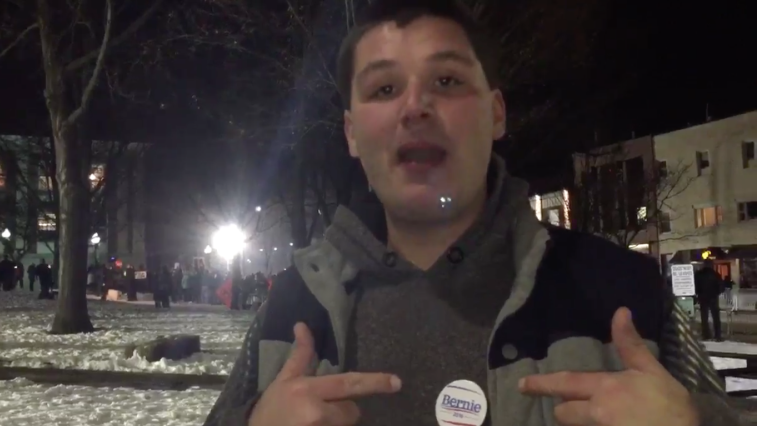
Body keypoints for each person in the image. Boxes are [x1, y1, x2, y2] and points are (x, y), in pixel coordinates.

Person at [203, 1, 740, 426]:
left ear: (497, 112)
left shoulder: (626, 294)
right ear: (350, 132)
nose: (416, 107)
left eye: (447, 81)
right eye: (385, 88)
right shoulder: (292, 307)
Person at [696, 261, 724, 341]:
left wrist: (699, 294)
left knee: (704, 317)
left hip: (703, 298)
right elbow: (721, 287)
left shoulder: (699, 274)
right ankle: (717, 335)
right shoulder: (715, 274)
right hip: (713, 298)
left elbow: (696, 286)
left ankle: (706, 335)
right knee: (716, 317)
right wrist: (716, 293)